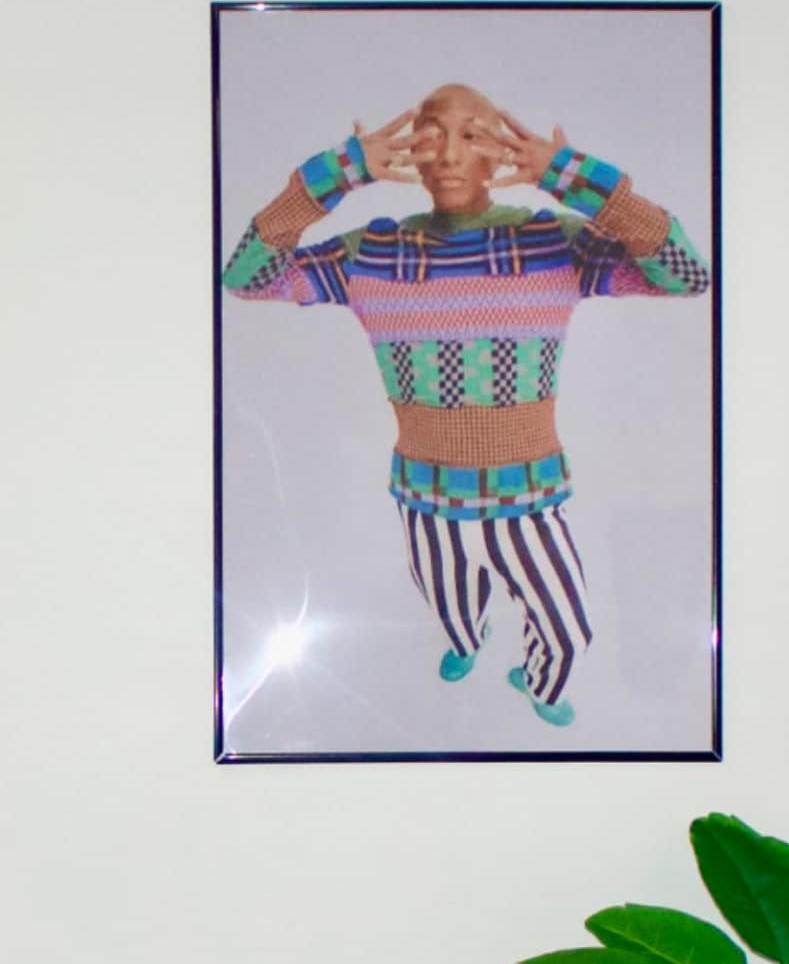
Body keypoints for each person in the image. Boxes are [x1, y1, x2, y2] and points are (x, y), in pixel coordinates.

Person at [222, 84, 709, 727]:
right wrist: (333, 175)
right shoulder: (373, 252)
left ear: (499, 150)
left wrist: (574, 177)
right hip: (426, 495)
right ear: (410, 156)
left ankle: (539, 680)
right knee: (449, 602)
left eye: (472, 134)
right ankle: (465, 642)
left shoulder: (553, 242)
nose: (450, 154)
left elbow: (685, 273)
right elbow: (246, 276)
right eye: (430, 135)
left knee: (567, 625)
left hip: (529, 495)